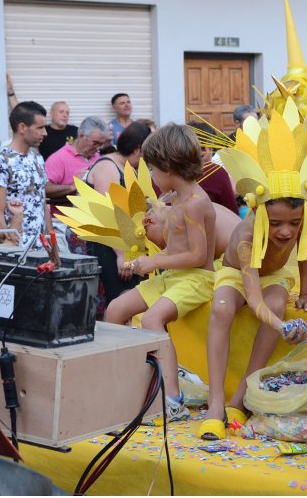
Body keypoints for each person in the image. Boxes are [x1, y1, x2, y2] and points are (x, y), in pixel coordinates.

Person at [198, 101, 307, 441]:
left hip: (274, 278)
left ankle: (240, 398)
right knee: (223, 308)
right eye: (278, 223)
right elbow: (252, 296)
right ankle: (214, 404)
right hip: (238, 276)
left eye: (294, 223)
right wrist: (282, 326)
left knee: (280, 302)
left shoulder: (305, 221)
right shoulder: (247, 236)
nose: (286, 232)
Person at [104, 123, 216, 422]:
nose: (151, 177)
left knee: (153, 319)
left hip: (196, 279)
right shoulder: (178, 199)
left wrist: (154, 263)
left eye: (152, 170)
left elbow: (198, 255)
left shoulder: (195, 204)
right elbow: (174, 246)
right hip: (173, 276)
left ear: (168, 167)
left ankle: (172, 399)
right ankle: (126, 383)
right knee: (116, 309)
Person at [82, 122, 151, 311]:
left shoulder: (130, 167)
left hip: (129, 242)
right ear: (137, 149)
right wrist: (122, 254)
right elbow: (107, 213)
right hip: (108, 245)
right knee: (118, 300)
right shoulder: (108, 166)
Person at [0, 101, 52, 247]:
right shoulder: (0, 162)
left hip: (42, 248)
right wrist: (7, 247)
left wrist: (52, 244)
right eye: (40, 128)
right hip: (16, 249)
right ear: (22, 128)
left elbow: (42, 203)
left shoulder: (37, 158)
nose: (45, 133)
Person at [44, 116, 107, 203]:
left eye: (101, 144)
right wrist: (73, 187)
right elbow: (44, 189)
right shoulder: (58, 158)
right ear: (81, 136)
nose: (98, 148)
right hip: (64, 215)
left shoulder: (98, 157)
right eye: (95, 143)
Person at [187, 121, 238, 214]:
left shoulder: (170, 171)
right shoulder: (214, 171)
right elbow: (232, 212)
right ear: (207, 146)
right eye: (212, 144)